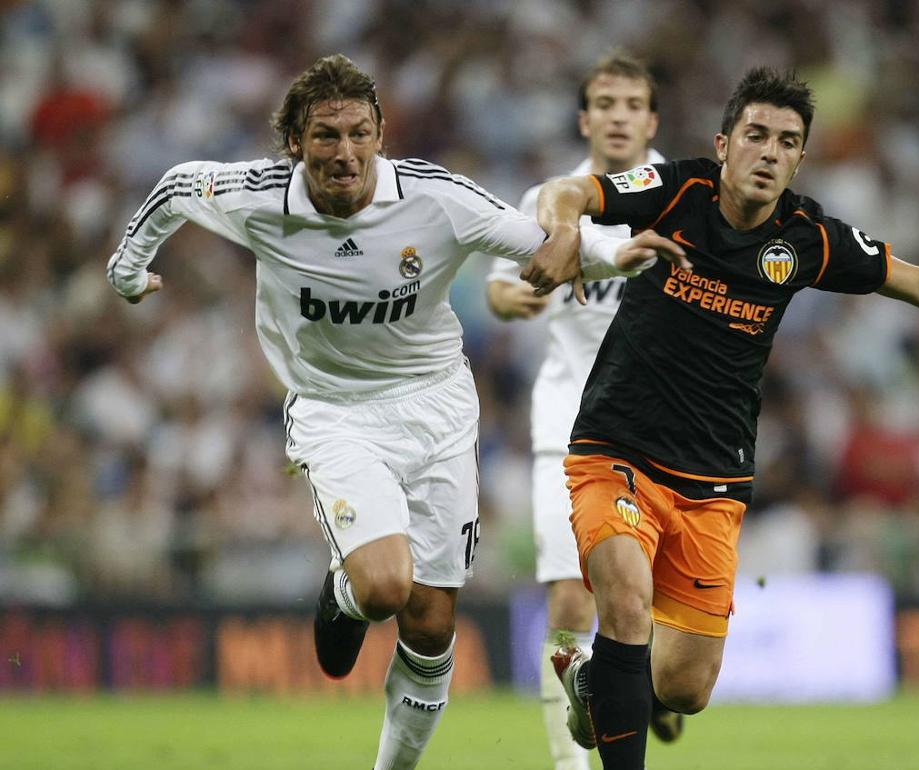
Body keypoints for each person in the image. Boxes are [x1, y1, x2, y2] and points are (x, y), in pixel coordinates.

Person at [522, 67, 919, 770]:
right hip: (616, 447)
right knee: (625, 604)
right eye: (755, 135)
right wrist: (565, 228)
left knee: (683, 689)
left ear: (800, 159)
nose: (769, 152)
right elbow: (568, 191)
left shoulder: (806, 237)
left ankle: (598, 681)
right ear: (724, 144)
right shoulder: (674, 190)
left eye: (787, 141)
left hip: (713, 479)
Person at [105, 54, 681, 770]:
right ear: (295, 143)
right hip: (335, 410)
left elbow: (545, 243)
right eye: (325, 136)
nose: (344, 152)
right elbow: (176, 186)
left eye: (359, 133)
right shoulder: (259, 196)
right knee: (384, 585)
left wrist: (617, 252)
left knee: (433, 624)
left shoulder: (434, 198)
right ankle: (345, 593)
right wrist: (128, 270)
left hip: (438, 407)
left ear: (380, 134)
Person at [484, 53, 681, 770]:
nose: (619, 115)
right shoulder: (550, 197)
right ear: (585, 118)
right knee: (572, 600)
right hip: (570, 423)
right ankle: (571, 763)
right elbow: (500, 289)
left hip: (665, 428)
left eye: (633, 103)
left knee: (644, 615)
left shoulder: (684, 196)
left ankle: (634, 686)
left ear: (651, 120)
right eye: (606, 102)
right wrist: (516, 297)